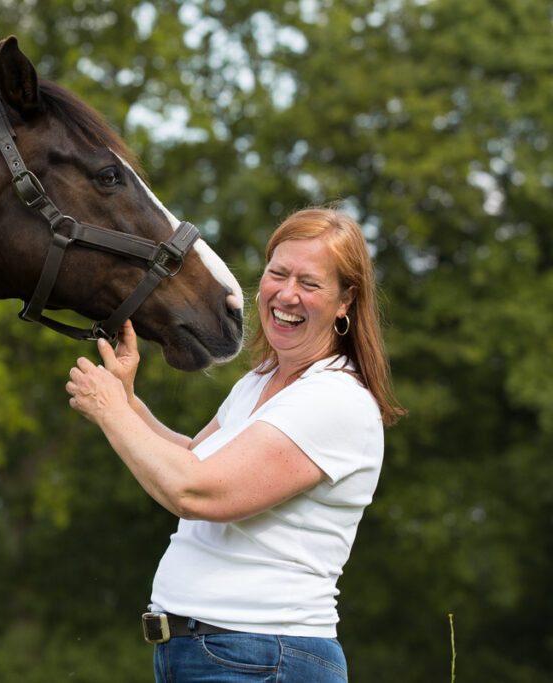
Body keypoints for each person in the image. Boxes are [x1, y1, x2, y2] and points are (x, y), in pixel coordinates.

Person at [65, 207, 405, 682]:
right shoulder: (261, 380)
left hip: (262, 658)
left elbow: (195, 491)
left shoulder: (334, 399)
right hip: (215, 654)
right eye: (277, 273)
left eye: (309, 283)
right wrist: (128, 401)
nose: (287, 294)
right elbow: (190, 459)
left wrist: (110, 411)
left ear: (345, 301)